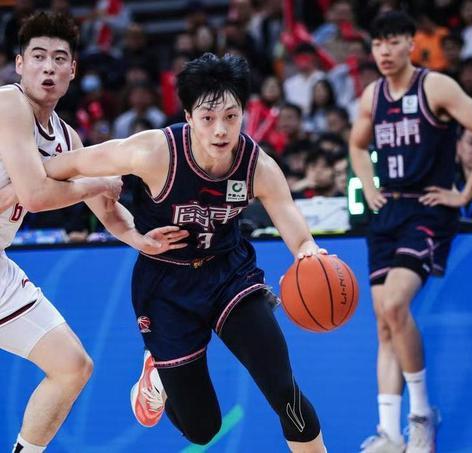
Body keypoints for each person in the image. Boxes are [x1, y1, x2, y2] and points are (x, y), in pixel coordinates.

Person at [43, 52, 327, 452]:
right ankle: (157, 373)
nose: (220, 129)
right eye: (208, 118)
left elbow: (293, 225)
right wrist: (124, 228)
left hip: (228, 274)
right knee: (202, 429)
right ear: (189, 116)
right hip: (166, 285)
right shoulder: (154, 152)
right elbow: (64, 166)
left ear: (244, 114)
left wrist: (309, 251)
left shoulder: (257, 166)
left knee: (284, 391)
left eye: (231, 116)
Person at [0, 12, 179, 453]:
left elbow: (109, 212)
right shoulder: (9, 103)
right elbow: (36, 195)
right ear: (19, 64)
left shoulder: (67, 139)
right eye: (38, 56)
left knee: (72, 366)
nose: (48, 67)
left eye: (59, 58)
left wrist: (142, 239)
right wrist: (95, 182)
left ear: (73, 70)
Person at [349, 11, 472, 453]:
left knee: (395, 304)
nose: (384, 51)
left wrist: (465, 192)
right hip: (388, 212)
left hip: (427, 209)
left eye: (393, 41)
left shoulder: (435, 86)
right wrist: (367, 185)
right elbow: (357, 145)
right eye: (378, 43)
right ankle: (390, 434)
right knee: (384, 324)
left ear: (411, 44)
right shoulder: (372, 95)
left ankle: (421, 416)